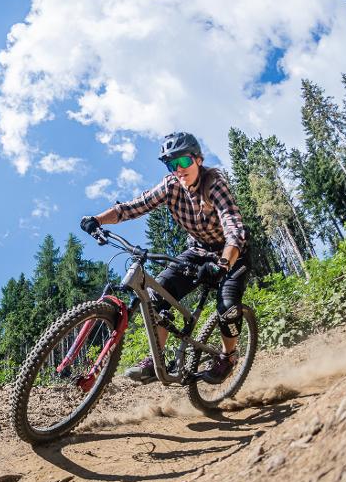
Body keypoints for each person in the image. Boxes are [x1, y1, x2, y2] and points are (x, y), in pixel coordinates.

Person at [80, 131, 249, 385]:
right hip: (198, 251)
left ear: (198, 160)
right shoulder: (171, 186)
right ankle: (155, 360)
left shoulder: (214, 184)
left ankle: (229, 356)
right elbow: (132, 207)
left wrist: (223, 263)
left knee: (227, 307)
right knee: (155, 297)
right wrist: (97, 220)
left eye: (184, 162)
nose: (179, 170)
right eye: (173, 164)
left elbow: (234, 229)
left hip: (232, 253)